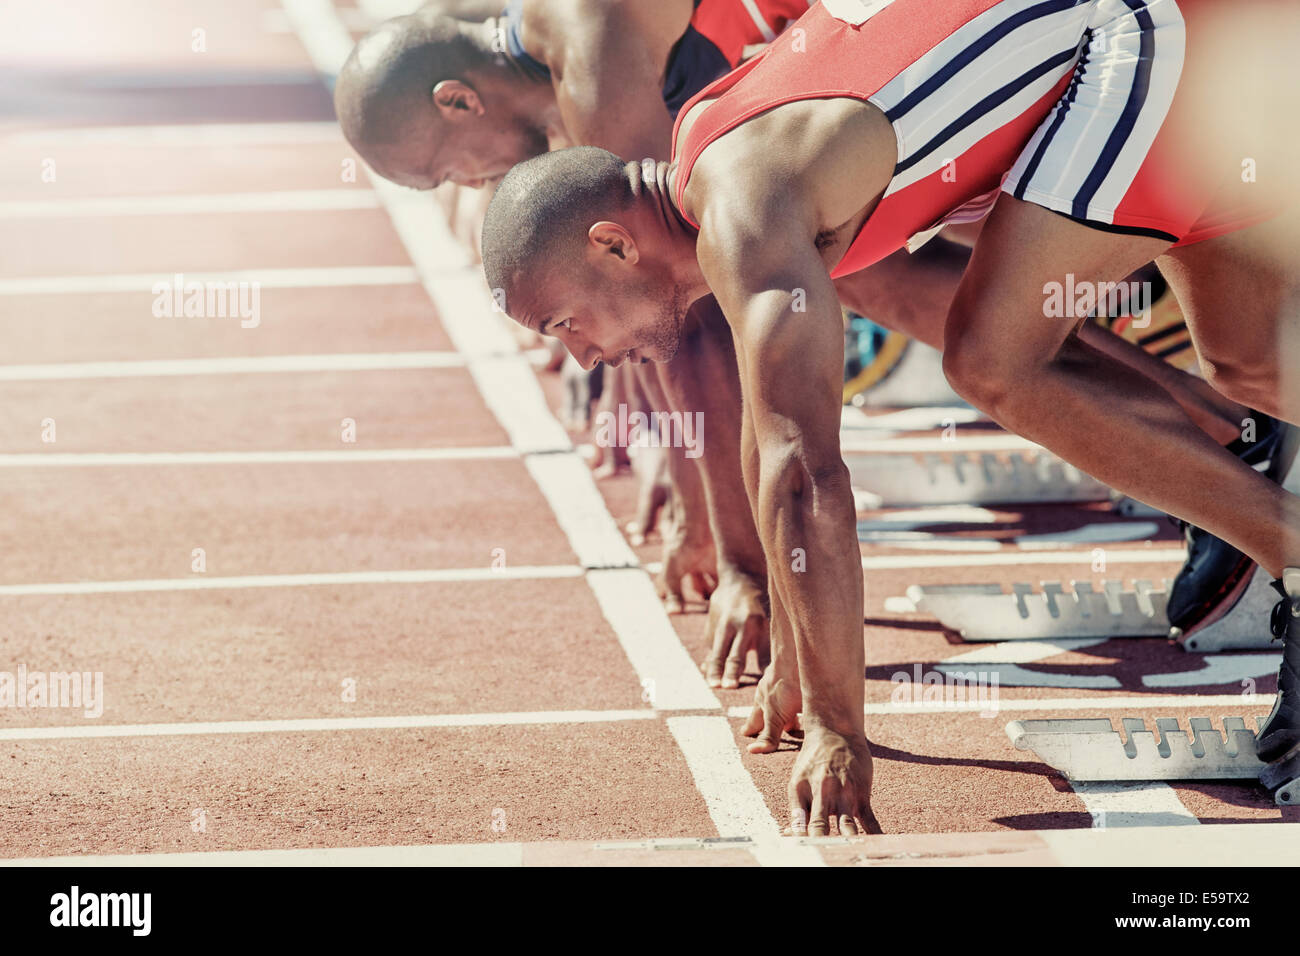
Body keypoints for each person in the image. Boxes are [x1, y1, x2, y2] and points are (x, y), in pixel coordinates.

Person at [479, 0, 1300, 831]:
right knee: (1256, 364)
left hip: (1145, 39)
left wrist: (837, 726)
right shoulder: (716, 154)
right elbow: (774, 442)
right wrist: (799, 656)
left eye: (565, 324)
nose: (582, 358)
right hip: (1177, 44)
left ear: (613, 245)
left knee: (993, 360)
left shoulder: (743, 214)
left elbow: (804, 476)